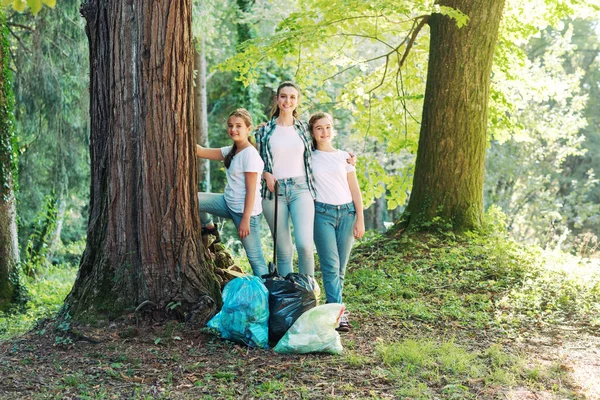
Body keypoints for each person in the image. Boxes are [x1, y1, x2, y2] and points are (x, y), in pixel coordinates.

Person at [309, 112, 365, 332]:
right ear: (312, 132)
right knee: (330, 266)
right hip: (322, 214)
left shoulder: (344, 157)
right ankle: (338, 314)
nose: (324, 132)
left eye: (328, 127)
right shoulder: (308, 156)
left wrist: (360, 218)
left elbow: (355, 189)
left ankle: (334, 309)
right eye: (319, 128)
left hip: (347, 214)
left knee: (340, 269)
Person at [255, 82, 317, 277]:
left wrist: (346, 158)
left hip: (301, 189)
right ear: (277, 99)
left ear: (297, 101)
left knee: (305, 246)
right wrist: (265, 172)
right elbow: (255, 161)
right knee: (283, 250)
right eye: (283, 96)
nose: (287, 100)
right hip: (273, 192)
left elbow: (324, 148)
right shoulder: (263, 131)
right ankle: (289, 300)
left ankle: (308, 294)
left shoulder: (306, 129)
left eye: (292, 97)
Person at [196, 108, 268, 278]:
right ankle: (209, 229)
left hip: (246, 213)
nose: (233, 129)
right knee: (194, 199)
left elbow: (251, 191)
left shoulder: (250, 155)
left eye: (238, 126)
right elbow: (200, 151)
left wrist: (245, 221)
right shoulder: (232, 150)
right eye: (230, 126)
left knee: (255, 258)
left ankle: (266, 296)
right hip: (227, 203)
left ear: (248, 129)